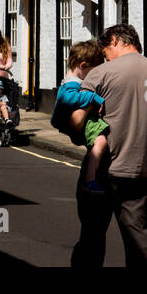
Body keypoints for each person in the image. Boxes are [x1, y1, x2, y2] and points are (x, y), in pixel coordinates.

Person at [71, 23, 147, 268]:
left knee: (91, 241)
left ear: (115, 40)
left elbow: (77, 120)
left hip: (103, 170)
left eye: (105, 51)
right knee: (138, 246)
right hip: (139, 171)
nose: (105, 57)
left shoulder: (101, 74)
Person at [51, 41, 111, 193]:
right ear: (83, 66)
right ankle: (90, 179)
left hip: (76, 120)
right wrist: (93, 97)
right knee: (101, 141)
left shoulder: (73, 79)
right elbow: (69, 98)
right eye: (94, 71)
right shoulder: (72, 83)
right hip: (73, 120)